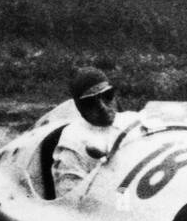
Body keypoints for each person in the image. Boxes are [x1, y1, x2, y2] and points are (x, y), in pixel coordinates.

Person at [52, 67, 143, 199]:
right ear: (80, 108)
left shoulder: (135, 120)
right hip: (115, 206)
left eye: (107, 96)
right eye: (90, 102)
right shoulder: (73, 141)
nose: (103, 107)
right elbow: (69, 200)